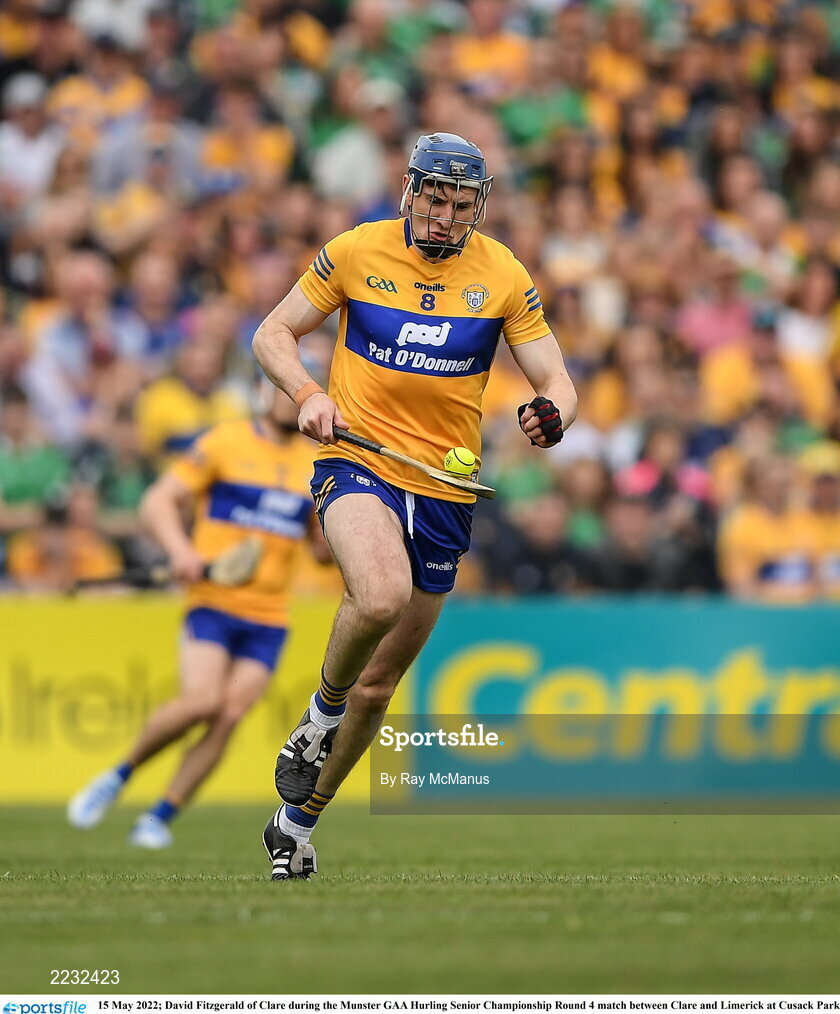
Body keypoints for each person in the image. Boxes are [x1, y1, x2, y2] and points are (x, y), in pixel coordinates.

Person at [252, 132, 577, 879]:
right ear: (410, 191)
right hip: (357, 460)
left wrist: (552, 413)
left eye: (462, 205)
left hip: (443, 488)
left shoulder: (501, 273)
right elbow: (273, 333)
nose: (445, 216)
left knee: (381, 685)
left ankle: (296, 825)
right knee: (382, 593)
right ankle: (316, 720)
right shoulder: (358, 251)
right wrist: (306, 394)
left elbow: (557, 376)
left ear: (479, 207)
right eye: (435, 199)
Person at [67, 387, 332, 848]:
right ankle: (118, 776)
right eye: (291, 390)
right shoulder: (225, 441)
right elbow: (157, 502)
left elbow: (320, 551)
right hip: (213, 601)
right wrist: (181, 552)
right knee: (201, 702)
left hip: (269, 616)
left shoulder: (314, 464)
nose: (299, 401)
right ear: (269, 392)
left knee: (228, 715)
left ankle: (159, 817)